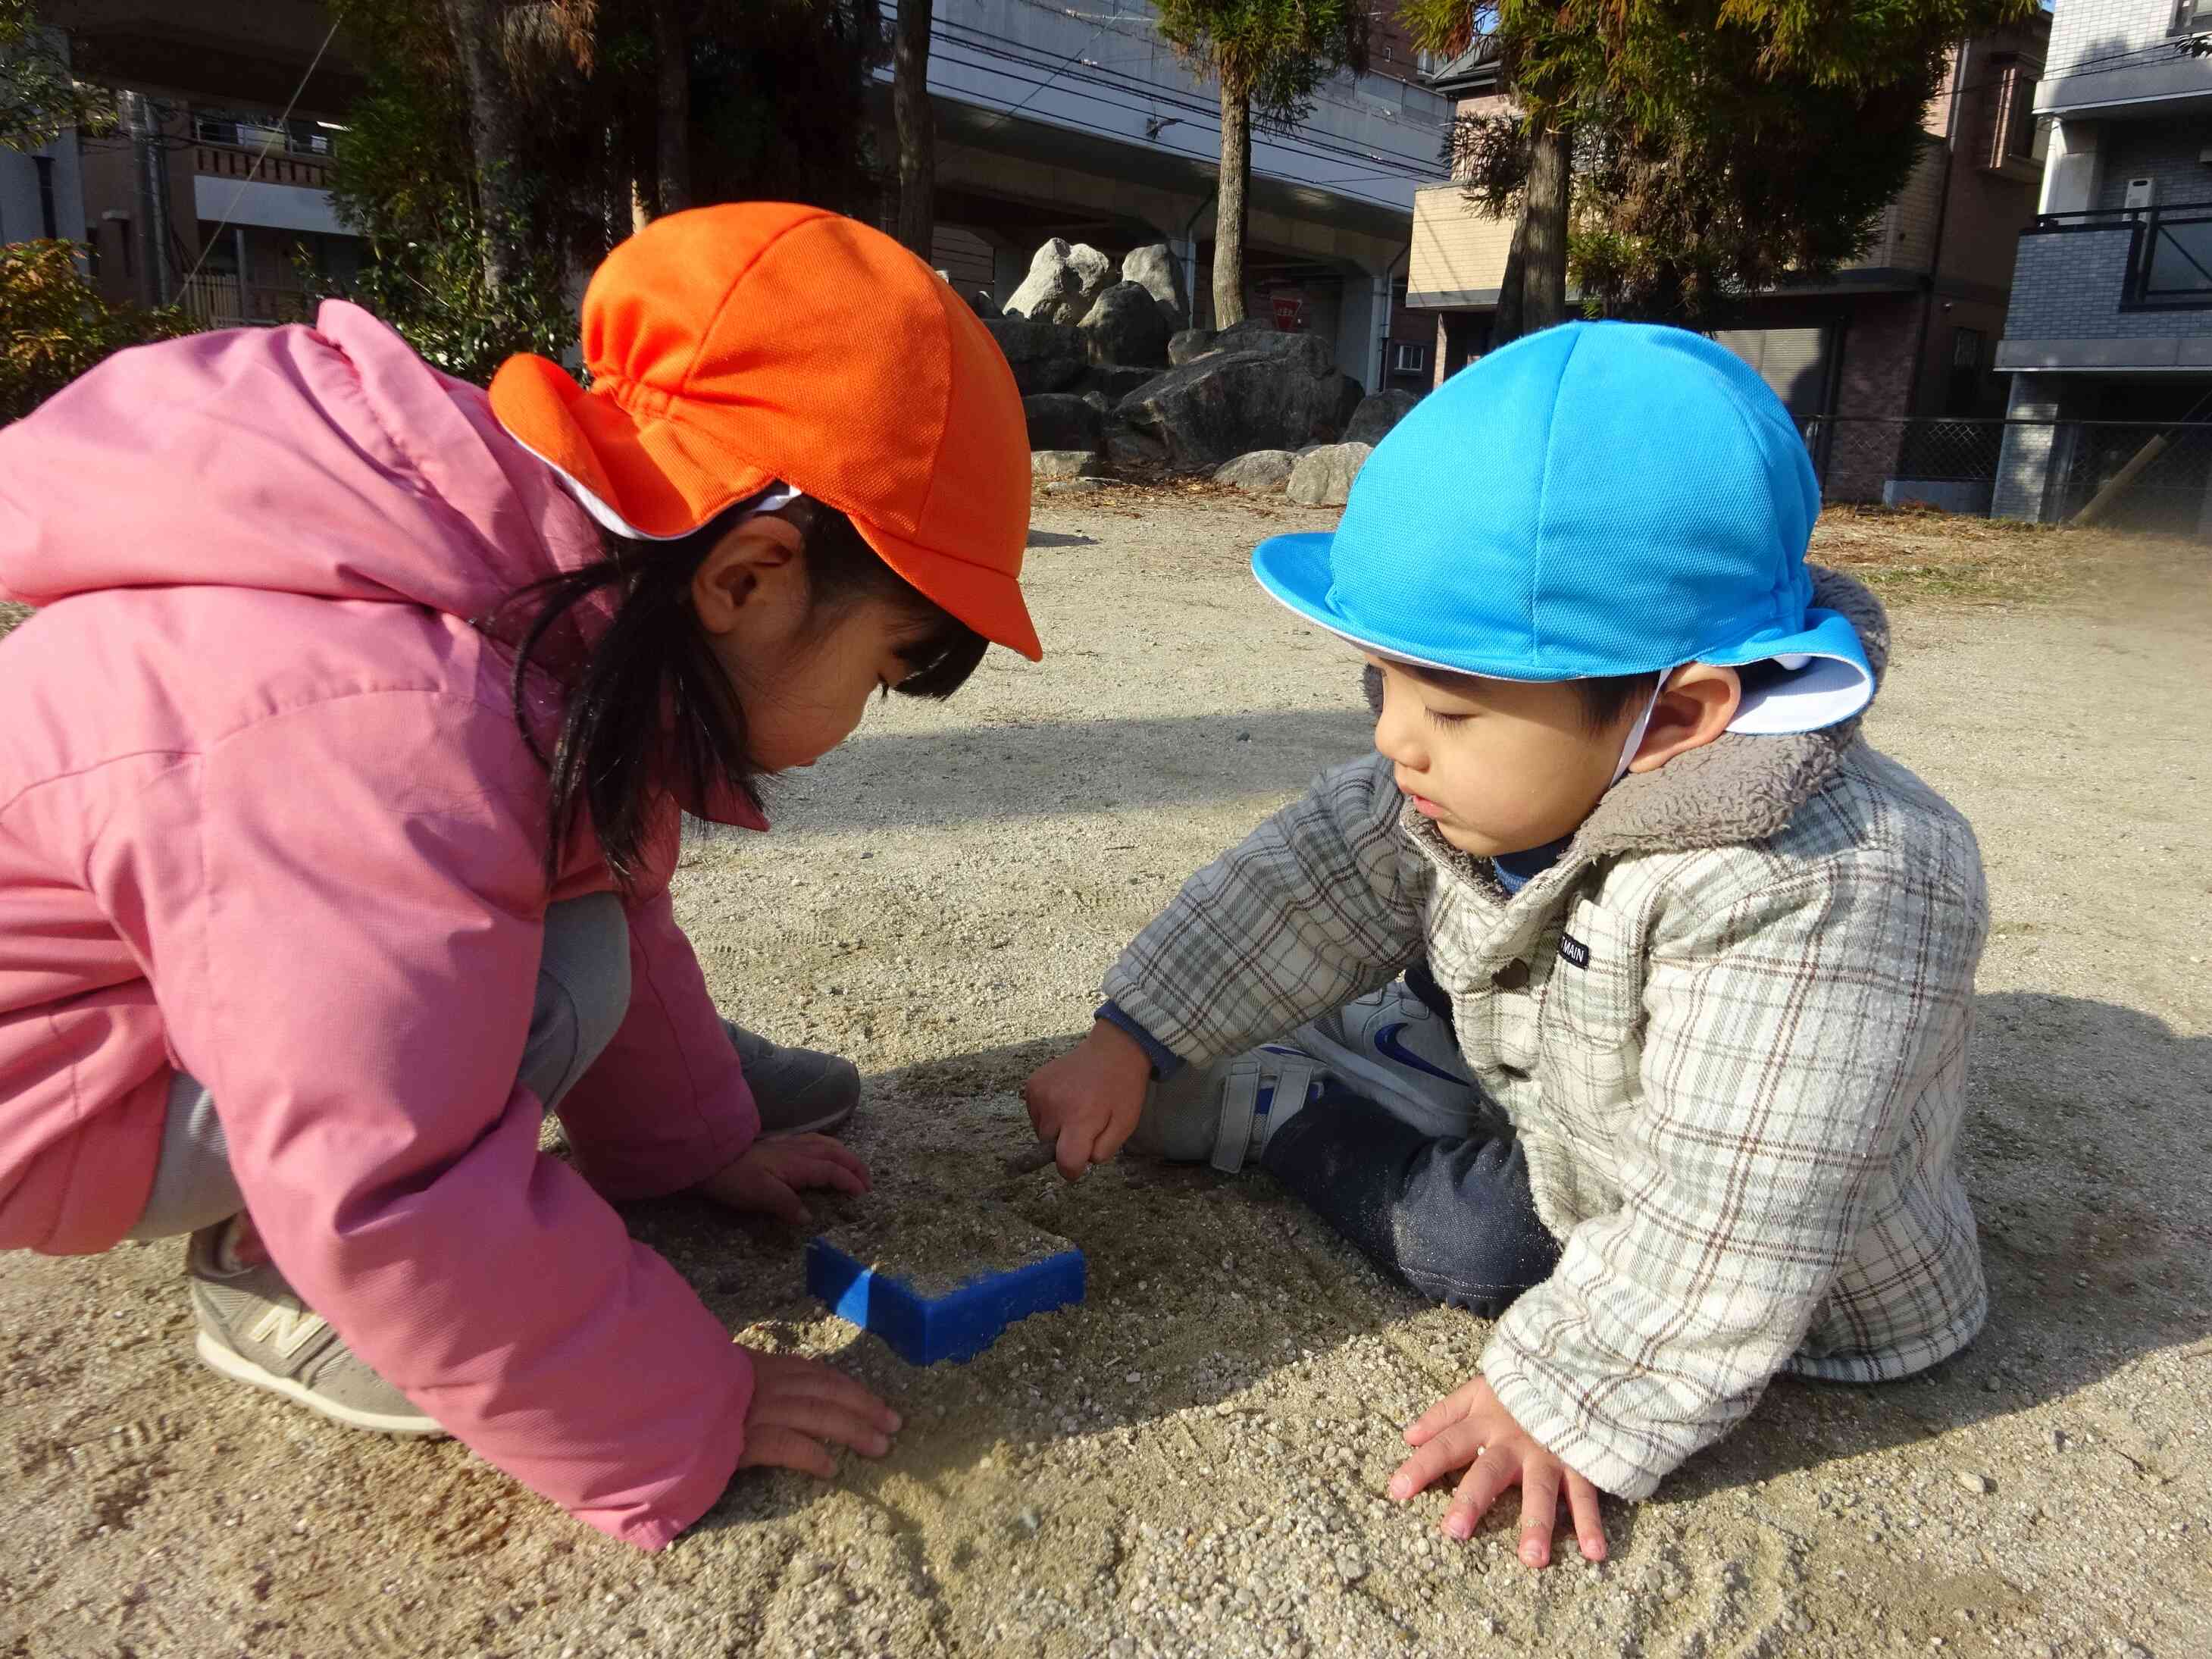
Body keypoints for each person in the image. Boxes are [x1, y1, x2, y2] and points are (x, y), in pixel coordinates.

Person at [0, 202, 1040, 1549]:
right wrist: (678, 1402)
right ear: (750, 578)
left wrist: (692, 1142)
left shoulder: (547, 596)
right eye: (885, 670)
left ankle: (444, 1185)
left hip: (156, 1002)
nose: (863, 715)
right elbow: (394, 1173)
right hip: (52, 1092)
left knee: (571, 947)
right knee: (505, 1004)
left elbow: (612, 893)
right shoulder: (384, 721)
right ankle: (274, 1275)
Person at [1025, 322, 1988, 1570]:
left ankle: (1283, 1110)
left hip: (1759, 1263)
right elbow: (1314, 874)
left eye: (1448, 706)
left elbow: (1738, 1208)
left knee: (1473, 1244)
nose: (1395, 738)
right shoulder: (1513, 768)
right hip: (1567, 1058)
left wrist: (1571, 1392)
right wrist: (1136, 1030)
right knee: (1424, 872)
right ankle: (1409, 1042)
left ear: (1677, 717)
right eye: (1385, 684)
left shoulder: (1829, 890)